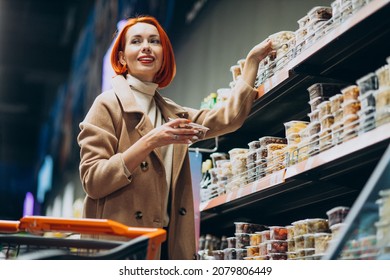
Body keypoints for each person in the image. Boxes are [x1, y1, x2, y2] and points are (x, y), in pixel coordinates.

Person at [77, 15, 274, 260]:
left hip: (167, 246)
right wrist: (151, 140)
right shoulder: (107, 105)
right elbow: (93, 180)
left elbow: (227, 119)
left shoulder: (171, 112)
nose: (146, 46)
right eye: (136, 41)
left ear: (163, 56)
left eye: (154, 41)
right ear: (121, 57)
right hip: (119, 248)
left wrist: (252, 62)